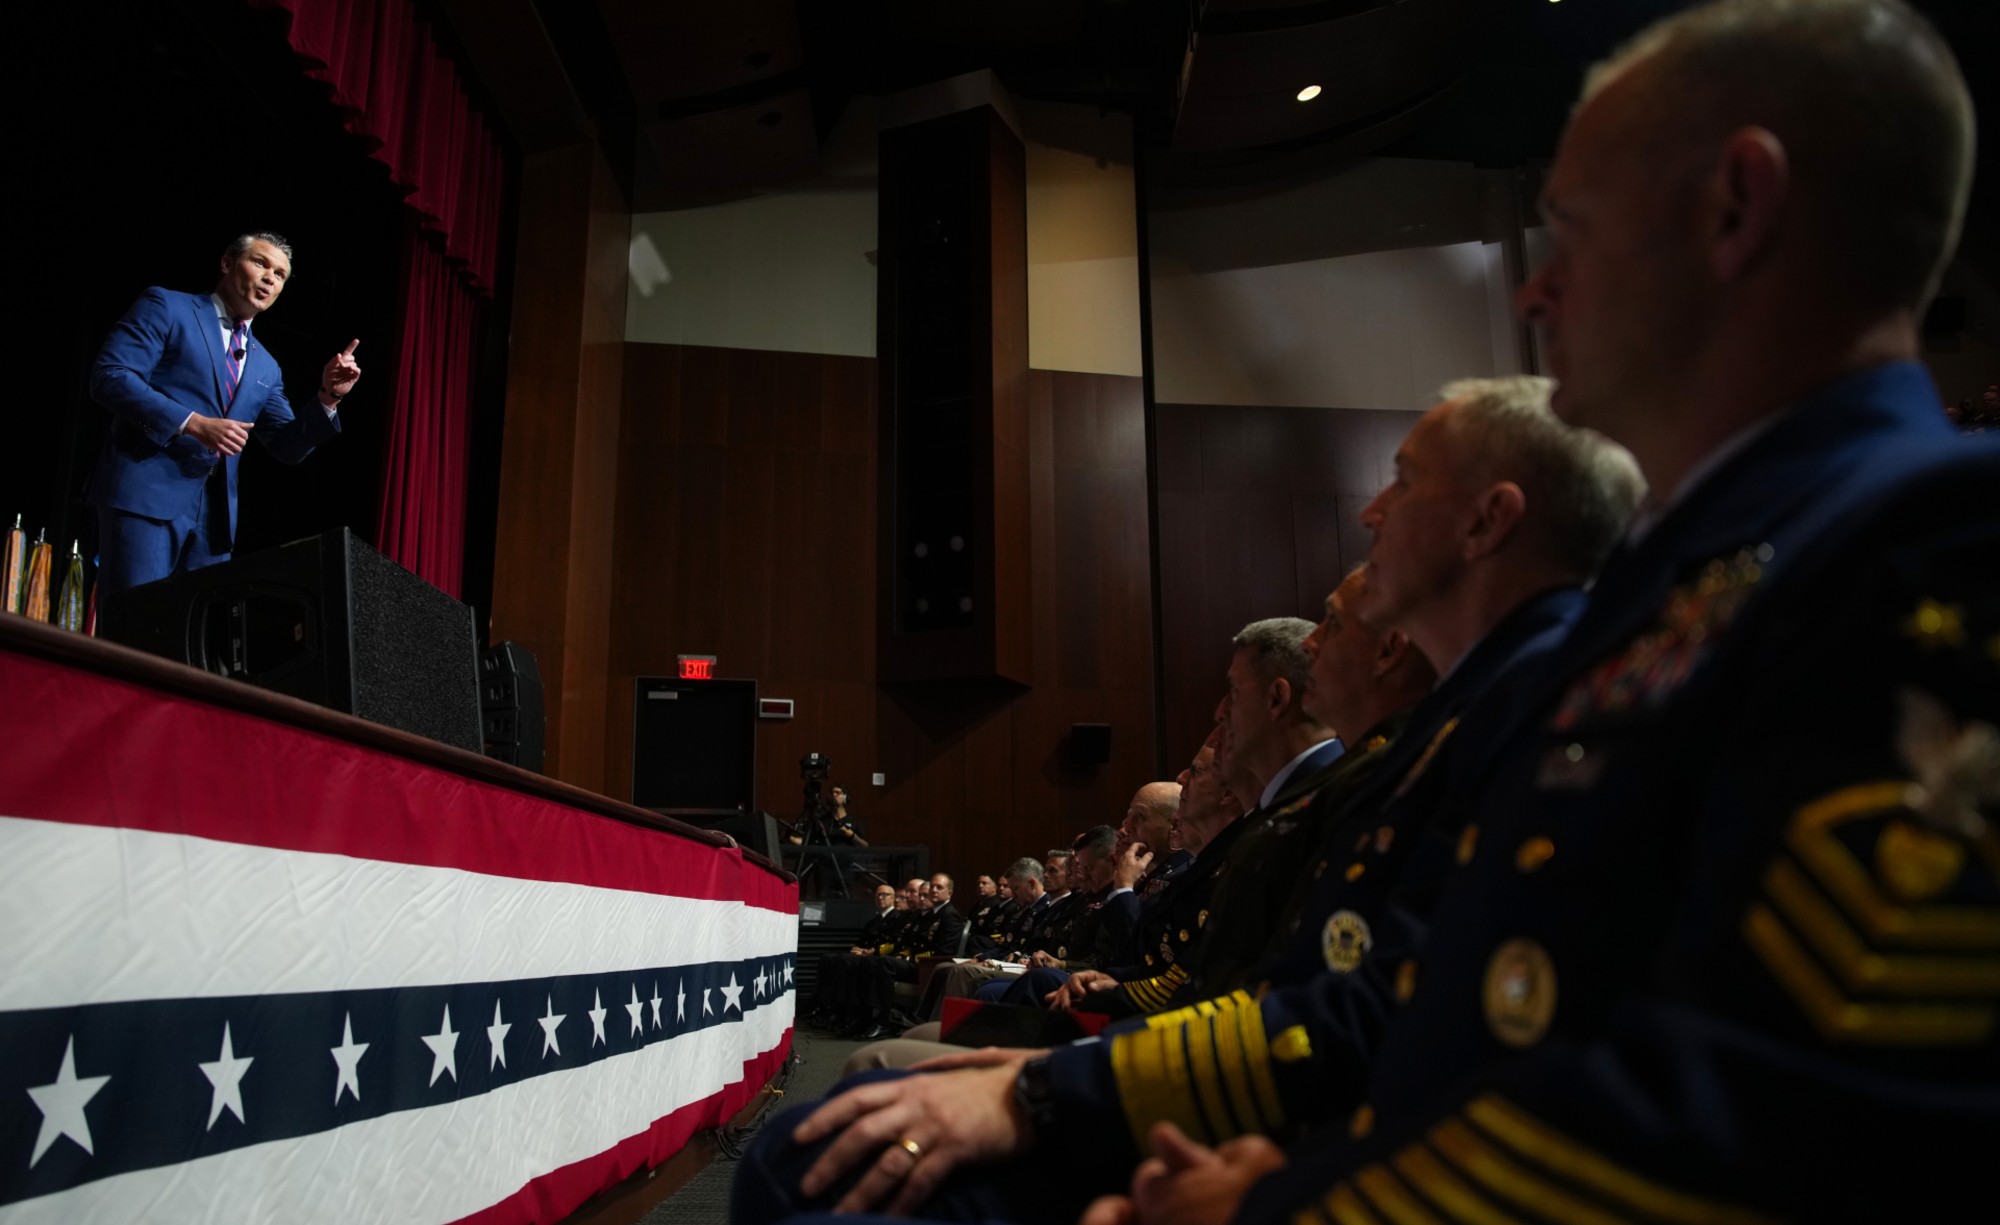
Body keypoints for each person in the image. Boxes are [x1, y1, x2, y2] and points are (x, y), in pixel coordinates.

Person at [1109, 3, 1999, 1222]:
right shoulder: (1685, 585)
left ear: (1734, 207)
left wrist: (1286, 1208)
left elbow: (1777, 1117)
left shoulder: (1934, 552)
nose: (1532, 289)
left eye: (1572, 228)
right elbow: (1475, 1002)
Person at [88, 232, 361, 596]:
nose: (270, 278)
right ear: (228, 263)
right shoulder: (168, 307)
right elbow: (111, 376)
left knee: (192, 630)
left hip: (214, 524)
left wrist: (328, 396)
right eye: (260, 263)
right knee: (137, 621)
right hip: (147, 495)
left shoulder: (266, 366)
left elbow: (287, 446)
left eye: (280, 274)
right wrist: (192, 423)